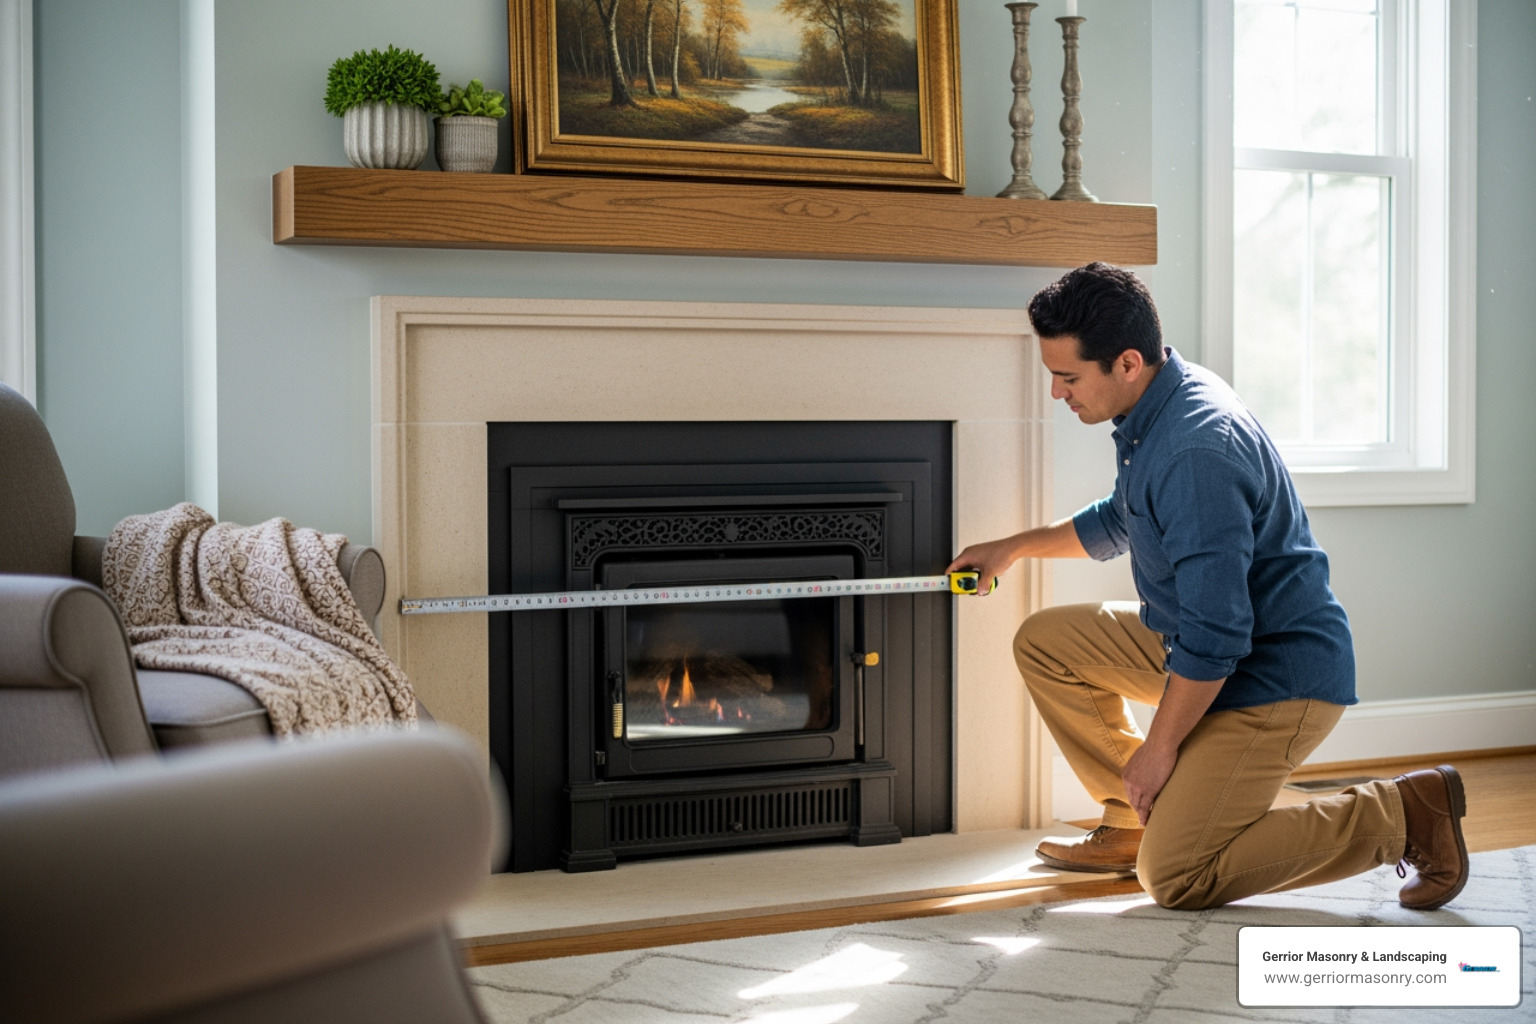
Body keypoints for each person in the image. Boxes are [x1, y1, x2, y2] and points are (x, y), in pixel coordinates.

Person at [947, 262, 1469, 911]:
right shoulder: (1157, 405)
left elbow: (1219, 634)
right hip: (1197, 643)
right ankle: (1132, 816)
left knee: (1177, 876)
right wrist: (1015, 547)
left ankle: (1403, 814)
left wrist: (1158, 750)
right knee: (1048, 641)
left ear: (1128, 363)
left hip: (1272, 677)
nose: (1057, 392)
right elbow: (1122, 519)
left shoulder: (1195, 451)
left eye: (1068, 377)